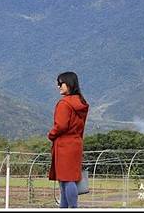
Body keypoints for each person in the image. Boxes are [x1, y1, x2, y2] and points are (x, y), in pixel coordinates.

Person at [48, 71, 89, 208]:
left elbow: (60, 126)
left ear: (69, 84)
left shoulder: (64, 104)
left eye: (61, 83)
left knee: (67, 179)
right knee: (67, 179)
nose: (58, 86)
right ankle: (64, 208)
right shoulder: (81, 103)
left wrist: (51, 134)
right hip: (76, 143)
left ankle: (73, 207)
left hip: (64, 145)